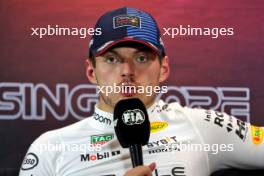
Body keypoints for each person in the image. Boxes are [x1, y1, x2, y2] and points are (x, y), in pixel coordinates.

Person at [19, 7, 264, 176]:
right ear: (91, 71)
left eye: (142, 57)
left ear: (164, 68)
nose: (127, 71)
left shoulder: (201, 125)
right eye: (112, 59)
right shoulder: (51, 147)